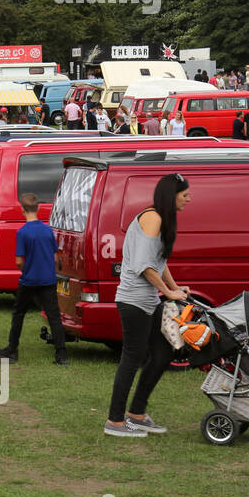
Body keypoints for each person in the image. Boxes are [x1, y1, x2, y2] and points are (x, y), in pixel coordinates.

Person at [105, 173, 191, 437]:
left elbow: (159, 264)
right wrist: (168, 292)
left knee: (163, 354)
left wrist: (174, 289)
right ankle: (115, 422)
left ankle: (137, 413)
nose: (189, 199)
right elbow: (144, 265)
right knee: (132, 358)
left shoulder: (160, 219)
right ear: (171, 195)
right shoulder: (152, 218)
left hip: (148, 301)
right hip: (134, 301)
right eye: (185, 195)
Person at [0, 193, 68, 365]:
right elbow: (55, 255)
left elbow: (19, 260)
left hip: (29, 279)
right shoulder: (47, 229)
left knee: (19, 313)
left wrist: (25, 270)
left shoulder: (23, 232)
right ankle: (61, 355)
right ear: (38, 208)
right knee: (54, 316)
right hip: (48, 279)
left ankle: (12, 350)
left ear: (22, 210)